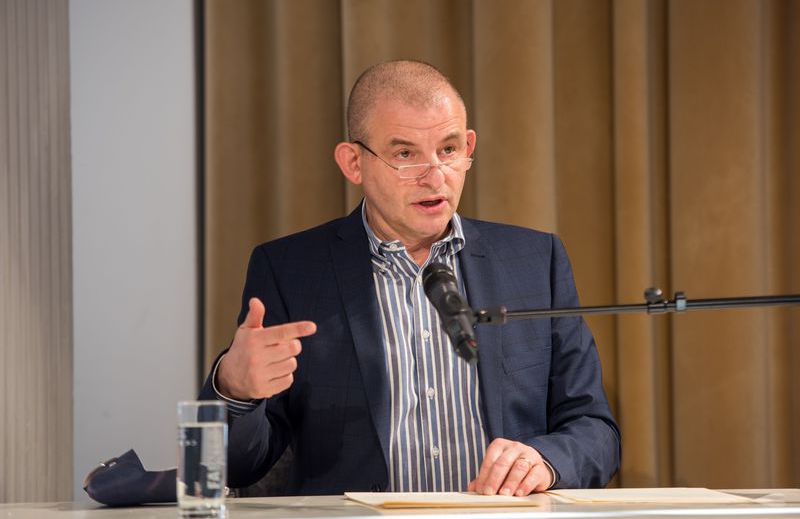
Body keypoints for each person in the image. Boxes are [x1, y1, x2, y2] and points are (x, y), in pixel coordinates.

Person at [199, 60, 620, 496]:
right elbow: (239, 468)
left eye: (449, 149)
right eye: (405, 155)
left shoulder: (534, 261)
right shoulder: (291, 270)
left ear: (469, 147)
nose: (434, 176)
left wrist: (546, 461)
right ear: (354, 163)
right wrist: (233, 389)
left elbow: (595, 429)